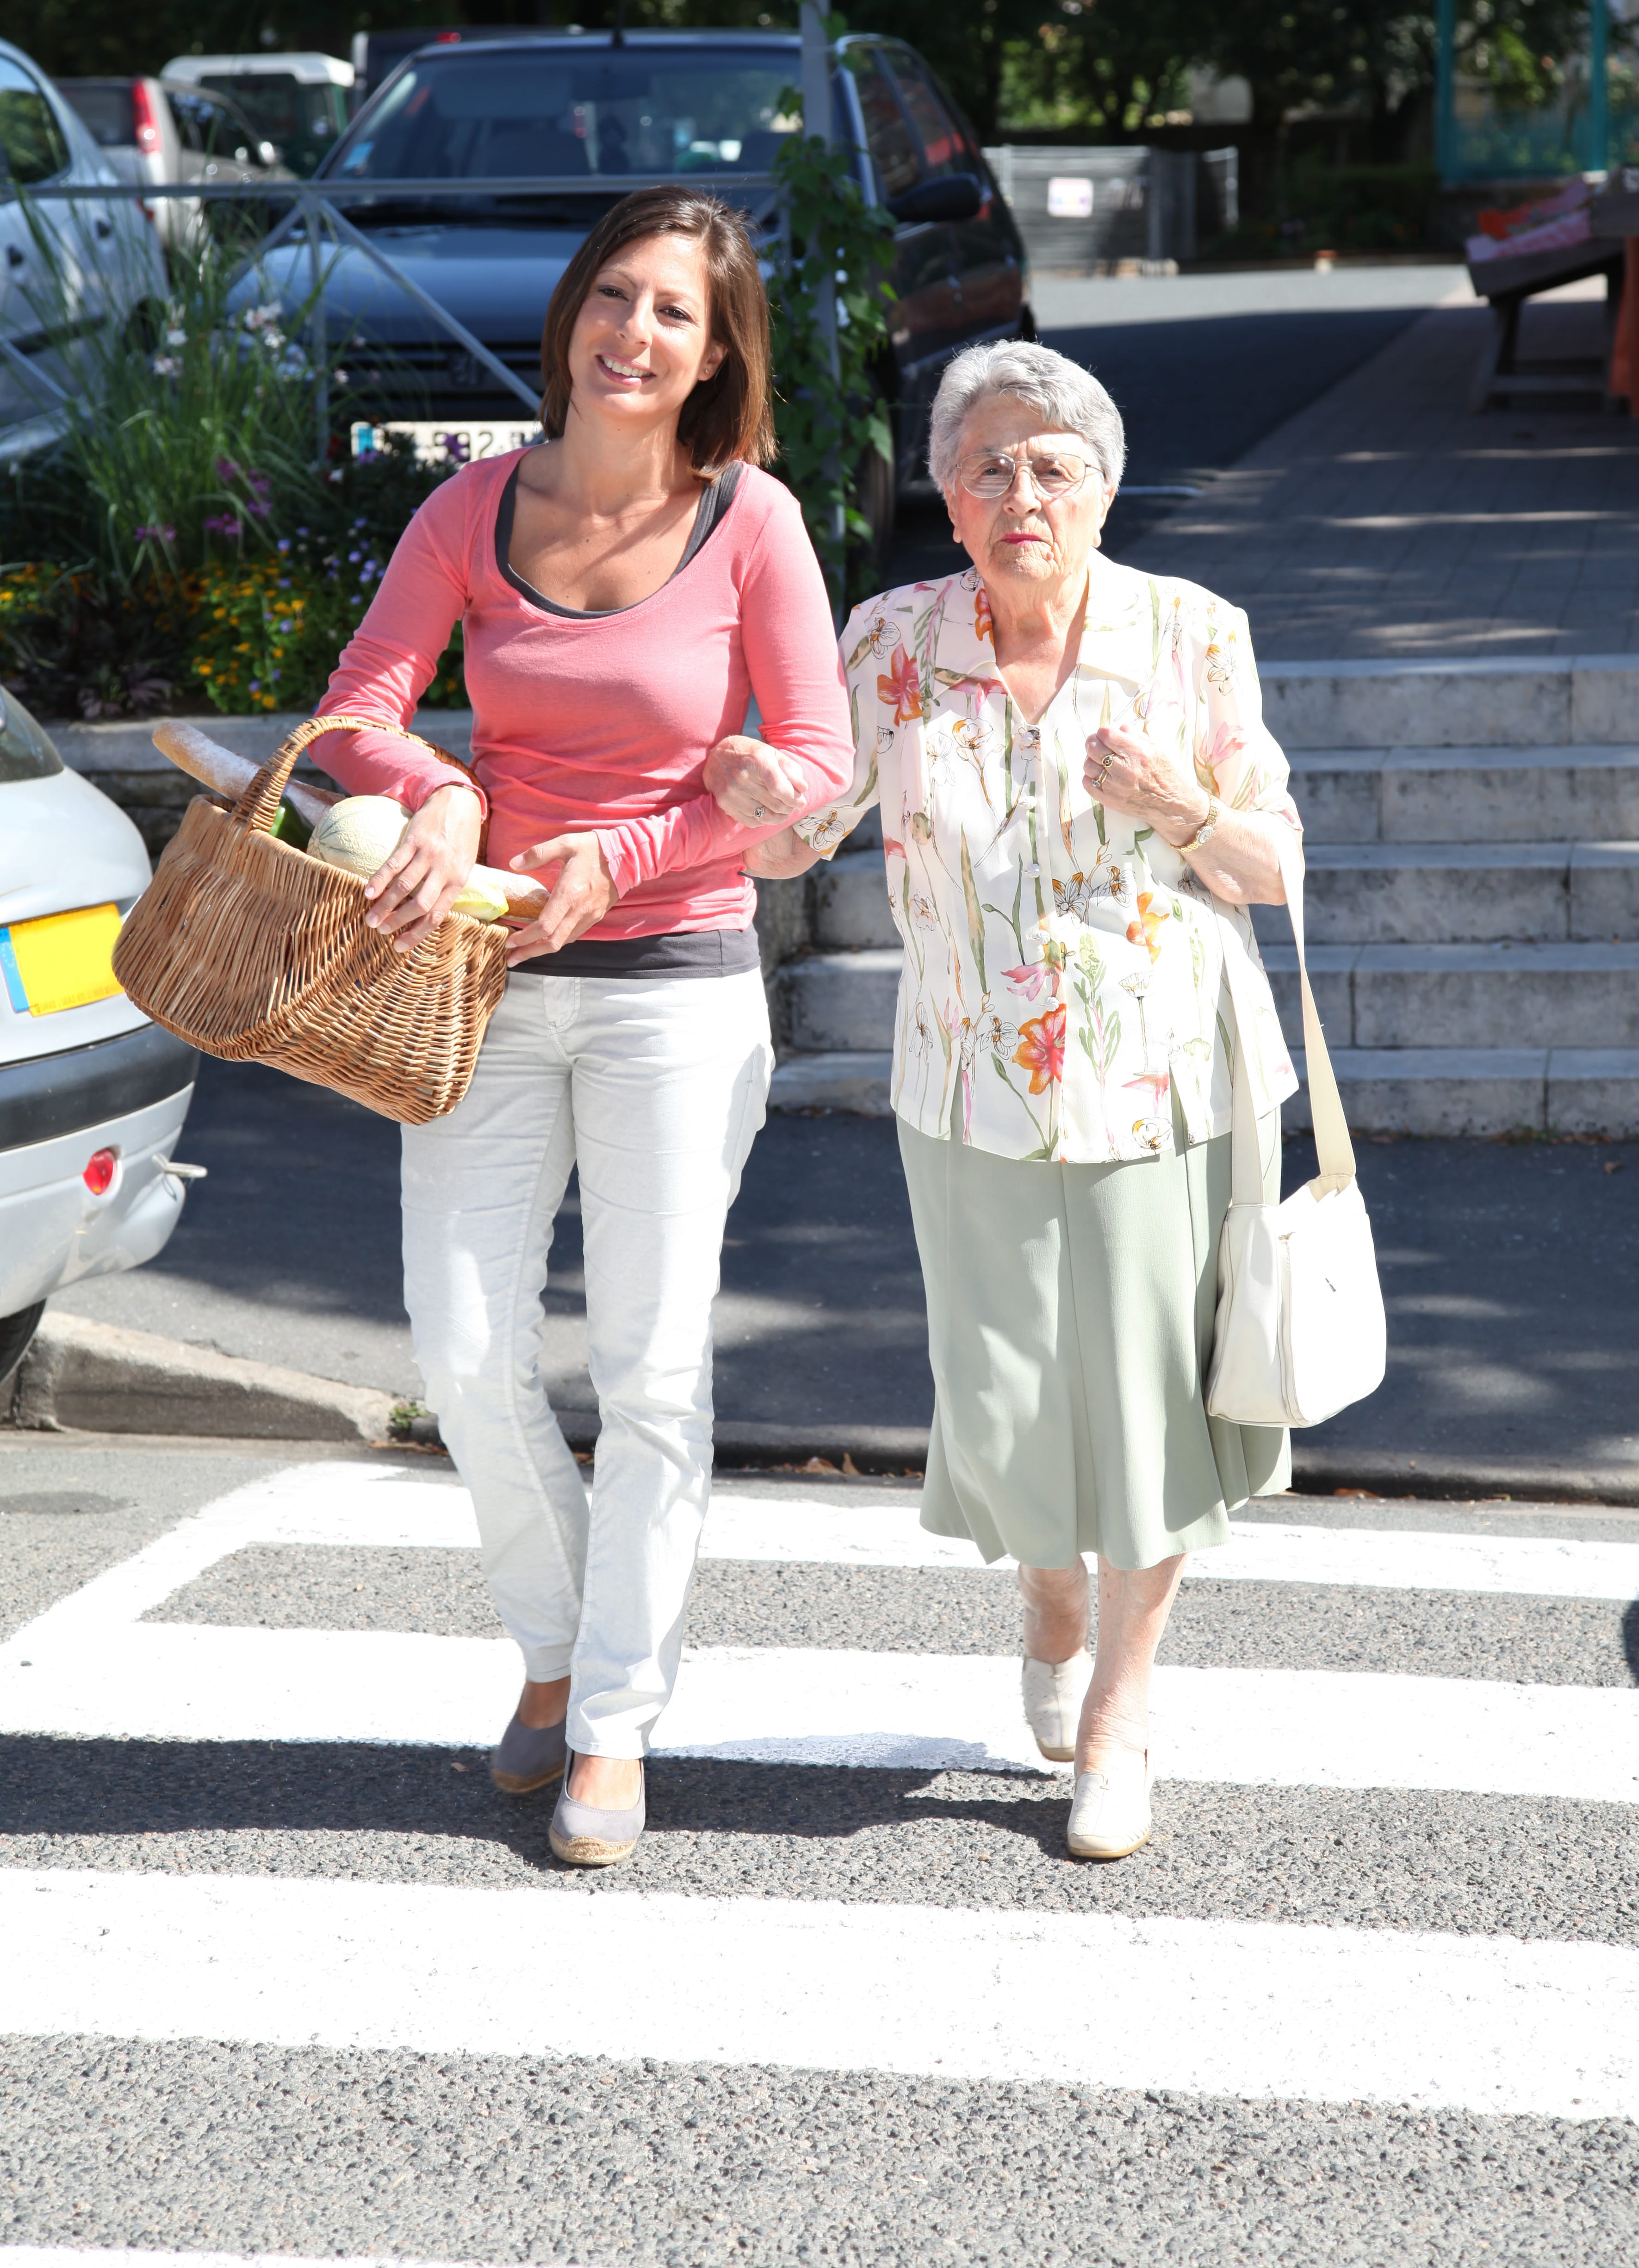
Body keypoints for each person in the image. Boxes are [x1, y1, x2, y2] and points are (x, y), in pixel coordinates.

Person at [314, 186, 852, 1869]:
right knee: (464, 1353)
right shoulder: (476, 506)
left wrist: (631, 848)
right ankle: (553, 1650)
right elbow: (353, 713)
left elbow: (816, 767)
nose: (636, 334)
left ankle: (612, 1720)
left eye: (676, 313)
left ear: (717, 354)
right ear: (570, 319)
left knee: (652, 1367)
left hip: (674, 993)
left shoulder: (752, 522)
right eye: (615, 297)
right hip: (475, 987)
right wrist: (450, 795)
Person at [710, 340, 1303, 1863]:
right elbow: (806, 835)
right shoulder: (895, 638)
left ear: (1103, 488)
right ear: (946, 498)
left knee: (1154, 1410)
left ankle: (1121, 1708)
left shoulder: (1193, 634)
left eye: (1053, 464)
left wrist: (1178, 803)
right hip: (965, 1081)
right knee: (1008, 1396)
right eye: (987, 466)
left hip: (1158, 1082)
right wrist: (755, 802)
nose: (1020, 491)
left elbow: (1276, 870)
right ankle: (1047, 1587)